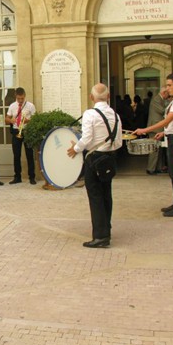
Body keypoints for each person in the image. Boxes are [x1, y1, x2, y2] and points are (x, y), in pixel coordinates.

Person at [67, 83, 122, 248]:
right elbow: (118, 141)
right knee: (106, 195)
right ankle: (106, 228)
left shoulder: (90, 114)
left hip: (94, 158)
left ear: (92, 97)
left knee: (96, 197)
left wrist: (75, 149)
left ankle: (100, 236)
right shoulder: (115, 115)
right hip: (109, 158)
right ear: (109, 96)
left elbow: (87, 138)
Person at [135, 73, 173, 217]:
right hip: (172, 136)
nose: (167, 88)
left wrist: (145, 130)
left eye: (169, 85)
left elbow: (167, 121)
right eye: (167, 85)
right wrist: (164, 133)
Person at [5, 87, 36, 185]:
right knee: (16, 155)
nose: (21, 100)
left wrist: (28, 121)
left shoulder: (30, 106)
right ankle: (17, 177)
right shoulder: (12, 106)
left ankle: (32, 177)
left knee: (29, 154)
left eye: (22, 98)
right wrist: (11, 120)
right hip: (16, 130)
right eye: (19, 98)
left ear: (24, 95)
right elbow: (6, 118)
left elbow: (36, 119)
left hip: (27, 130)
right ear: (16, 96)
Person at [145, 88, 169, 175]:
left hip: (158, 127)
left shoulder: (160, 99)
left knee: (159, 149)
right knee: (154, 149)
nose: (168, 96)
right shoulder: (156, 100)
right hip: (155, 128)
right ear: (164, 93)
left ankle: (157, 167)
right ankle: (151, 168)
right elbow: (163, 111)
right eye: (167, 94)